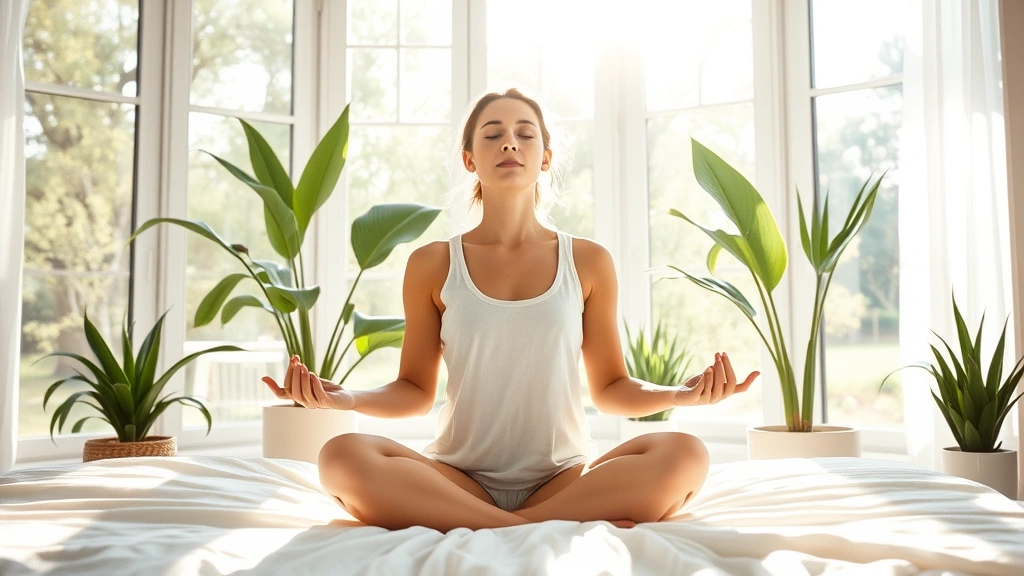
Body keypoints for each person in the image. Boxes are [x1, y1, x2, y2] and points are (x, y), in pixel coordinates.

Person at [262, 88, 758, 533]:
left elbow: (610, 390)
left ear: (545, 158)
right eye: (492, 134)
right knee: (341, 456)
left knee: (685, 453)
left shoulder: (587, 261)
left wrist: (681, 395)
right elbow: (414, 392)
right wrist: (345, 400)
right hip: (456, 478)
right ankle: (519, 525)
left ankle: (501, 525)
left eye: (525, 134)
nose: (509, 144)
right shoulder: (433, 263)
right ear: (469, 158)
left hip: (565, 478)